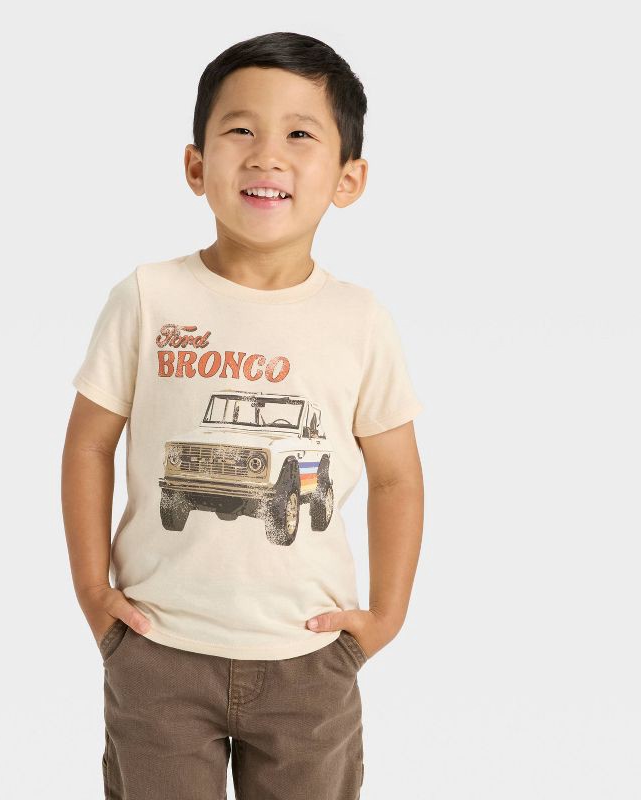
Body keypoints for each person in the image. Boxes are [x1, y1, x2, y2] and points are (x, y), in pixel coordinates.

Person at [61, 30, 425, 800]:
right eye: (240, 130)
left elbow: (397, 477)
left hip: (308, 655)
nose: (267, 156)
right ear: (197, 166)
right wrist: (94, 594)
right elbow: (89, 445)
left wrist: (386, 615)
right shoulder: (149, 297)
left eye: (299, 135)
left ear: (348, 178)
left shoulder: (359, 320)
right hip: (157, 645)